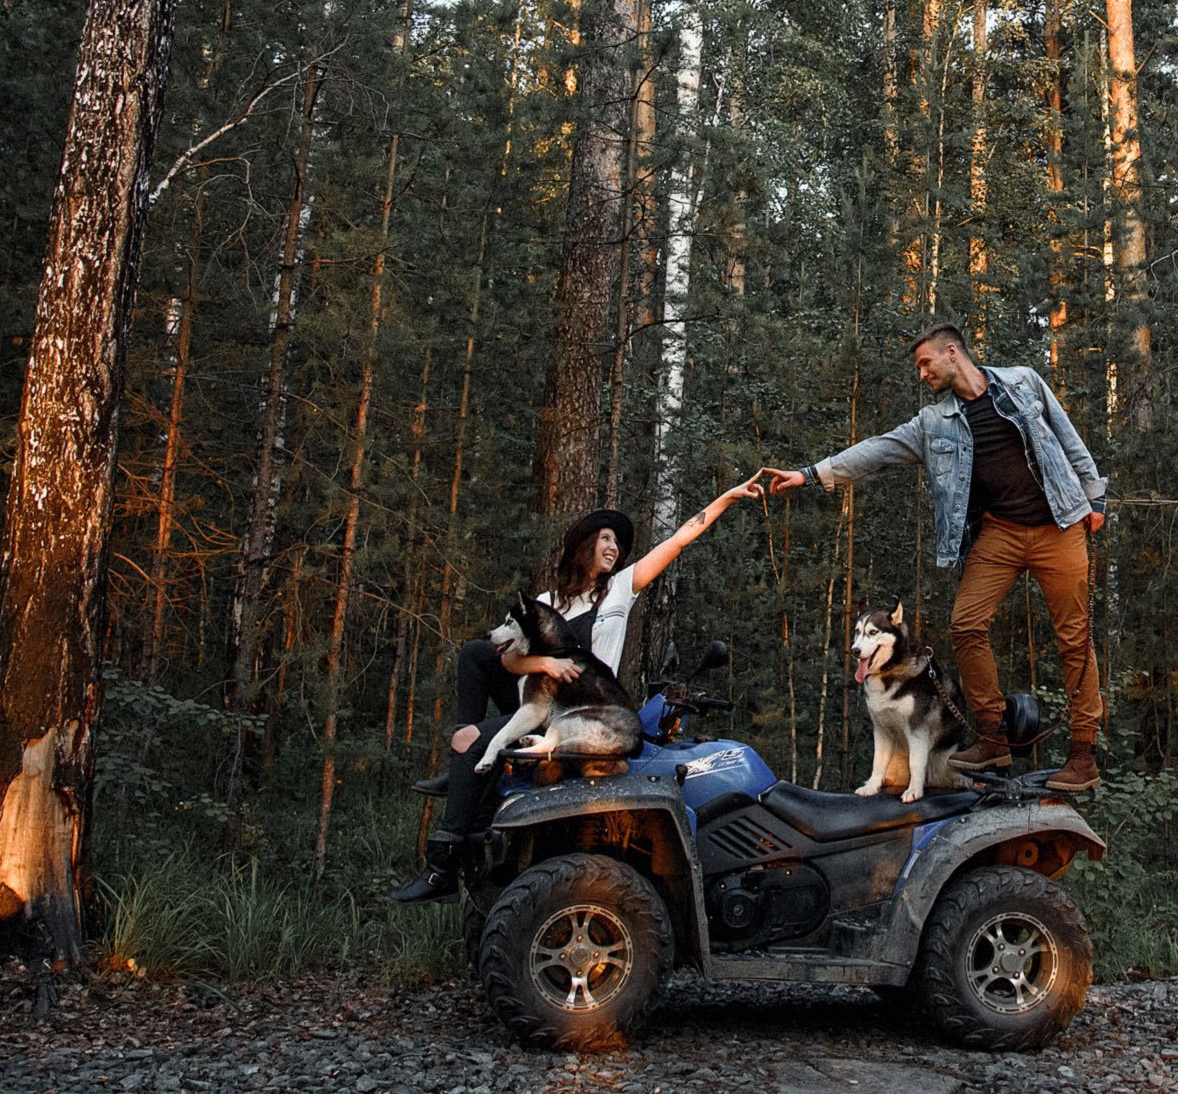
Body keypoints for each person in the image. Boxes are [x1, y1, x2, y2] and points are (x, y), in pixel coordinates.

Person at [764, 325, 1108, 792]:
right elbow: (879, 449)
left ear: (952, 353)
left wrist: (1095, 499)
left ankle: (1083, 756)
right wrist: (811, 474)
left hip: (1060, 525)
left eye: (926, 363)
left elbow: (1066, 437)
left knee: (1074, 640)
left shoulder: (1023, 381)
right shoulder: (933, 423)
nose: (922, 373)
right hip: (1000, 534)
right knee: (966, 624)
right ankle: (991, 737)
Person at [388, 476, 763, 904]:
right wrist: (546, 662)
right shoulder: (550, 603)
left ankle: (441, 868)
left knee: (470, 743)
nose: (614, 548)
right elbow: (508, 659)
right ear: (585, 546)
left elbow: (679, 539)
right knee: (476, 654)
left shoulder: (622, 589)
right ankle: (470, 759)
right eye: (605, 539)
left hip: (582, 711)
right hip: (543, 701)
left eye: (618, 543)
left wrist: (727, 498)